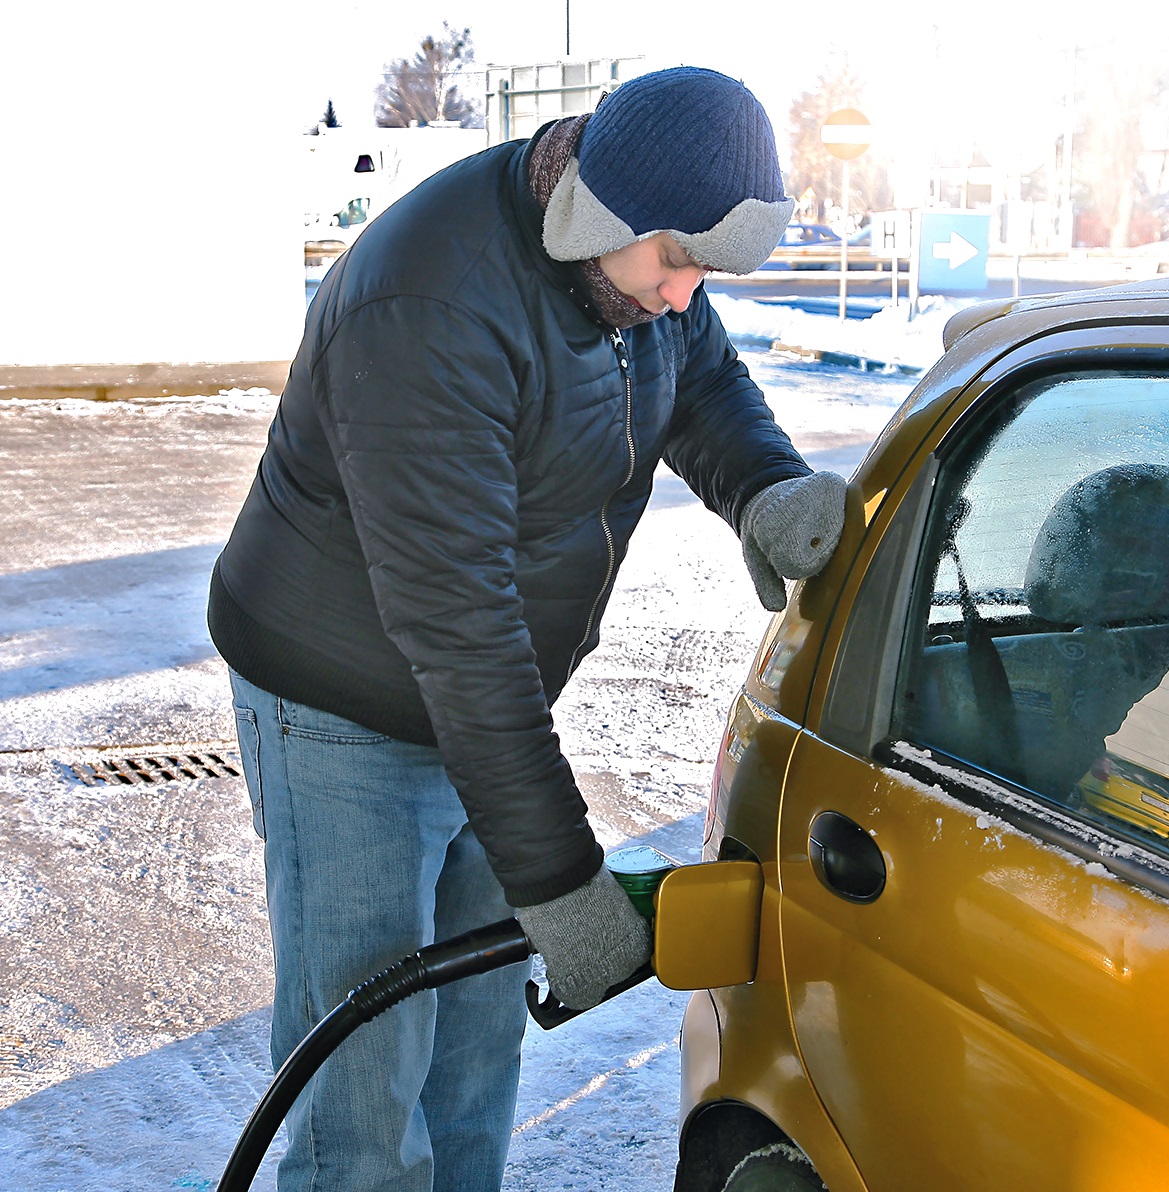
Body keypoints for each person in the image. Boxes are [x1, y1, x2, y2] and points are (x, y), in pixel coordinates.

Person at [209, 66, 845, 1190]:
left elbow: (703, 381)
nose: (687, 293)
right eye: (677, 260)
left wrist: (768, 490)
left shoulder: (627, 271)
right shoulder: (429, 301)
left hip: (473, 699)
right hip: (340, 706)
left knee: (471, 1051)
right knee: (364, 1077)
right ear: (601, 215)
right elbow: (459, 629)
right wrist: (559, 879)